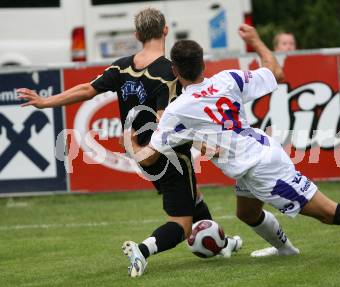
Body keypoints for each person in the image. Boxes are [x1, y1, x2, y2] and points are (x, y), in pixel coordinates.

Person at [127, 24, 340, 259]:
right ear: (203, 64)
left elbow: (152, 156)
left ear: (175, 71)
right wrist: (257, 41)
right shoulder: (228, 78)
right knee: (246, 213)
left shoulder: (178, 109)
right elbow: (277, 73)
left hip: (262, 168)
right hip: (254, 155)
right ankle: (286, 250)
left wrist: (133, 146)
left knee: (328, 213)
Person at [17, 7, 241, 278]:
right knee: (181, 225)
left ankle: (222, 243)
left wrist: (46, 102)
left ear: (136, 35)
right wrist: (202, 145)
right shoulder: (169, 73)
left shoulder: (122, 67)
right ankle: (142, 250)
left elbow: (87, 89)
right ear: (166, 30)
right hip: (168, 155)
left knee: (193, 199)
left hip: (143, 157)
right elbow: (167, 125)